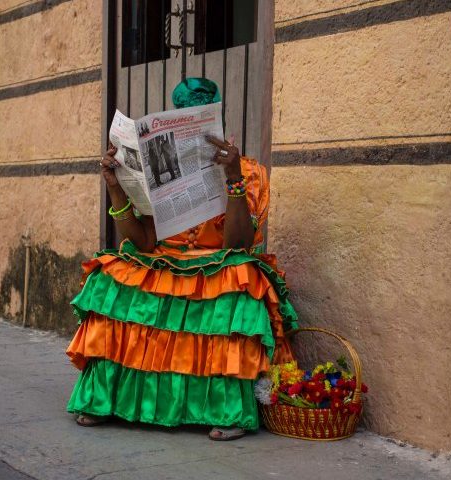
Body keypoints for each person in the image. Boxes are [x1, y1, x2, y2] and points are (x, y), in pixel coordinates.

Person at [66, 78, 297, 441]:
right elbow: (143, 241)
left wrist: (233, 179)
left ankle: (227, 409)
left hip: (217, 263)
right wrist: (114, 186)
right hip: (166, 260)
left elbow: (237, 244)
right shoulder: (160, 168)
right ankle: (106, 399)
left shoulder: (248, 171)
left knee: (242, 277)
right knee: (109, 276)